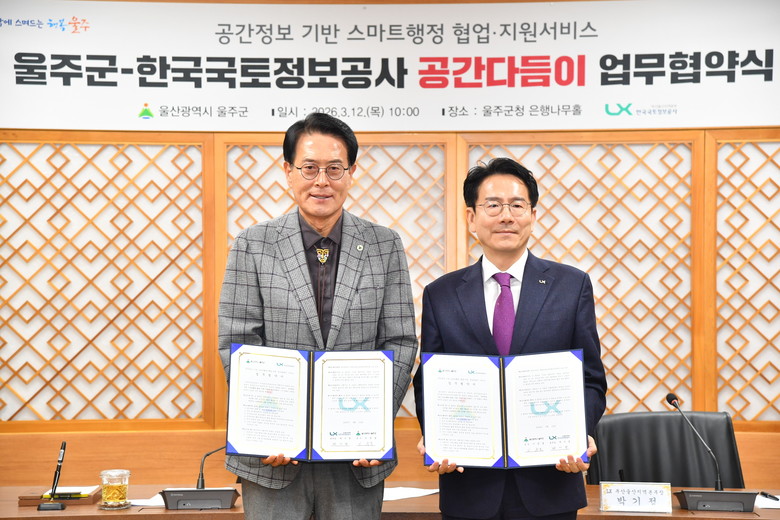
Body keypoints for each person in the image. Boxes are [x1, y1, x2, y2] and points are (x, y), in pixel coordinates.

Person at [218, 112, 417, 520]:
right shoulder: (253, 244)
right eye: (309, 168)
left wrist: (374, 423)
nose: (321, 181)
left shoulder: (384, 245)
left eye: (334, 169)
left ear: (352, 173)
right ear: (288, 171)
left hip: (356, 456)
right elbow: (237, 342)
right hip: (273, 459)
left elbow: (400, 341)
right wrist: (266, 425)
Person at [413, 157, 607, 520]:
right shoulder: (441, 294)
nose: (506, 216)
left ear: (532, 215)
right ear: (471, 218)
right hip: (468, 485)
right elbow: (429, 381)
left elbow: (591, 379)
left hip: (551, 483)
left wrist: (577, 434)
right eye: (493, 205)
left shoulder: (572, 285)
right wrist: (437, 436)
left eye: (517, 205)